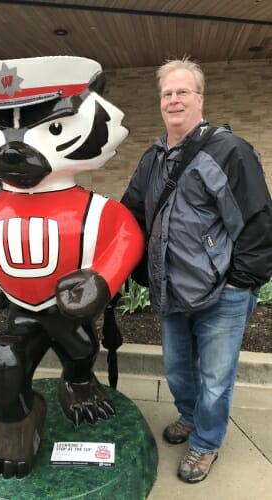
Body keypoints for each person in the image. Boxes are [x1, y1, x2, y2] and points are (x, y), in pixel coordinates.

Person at [121, 57, 272, 483]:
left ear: (200, 98)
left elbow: (259, 221)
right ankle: (190, 417)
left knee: (215, 377)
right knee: (177, 369)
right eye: (167, 93)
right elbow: (129, 214)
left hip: (222, 291)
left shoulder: (230, 151)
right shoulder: (152, 160)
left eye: (182, 91)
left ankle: (205, 444)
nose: (173, 99)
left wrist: (240, 282)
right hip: (171, 291)